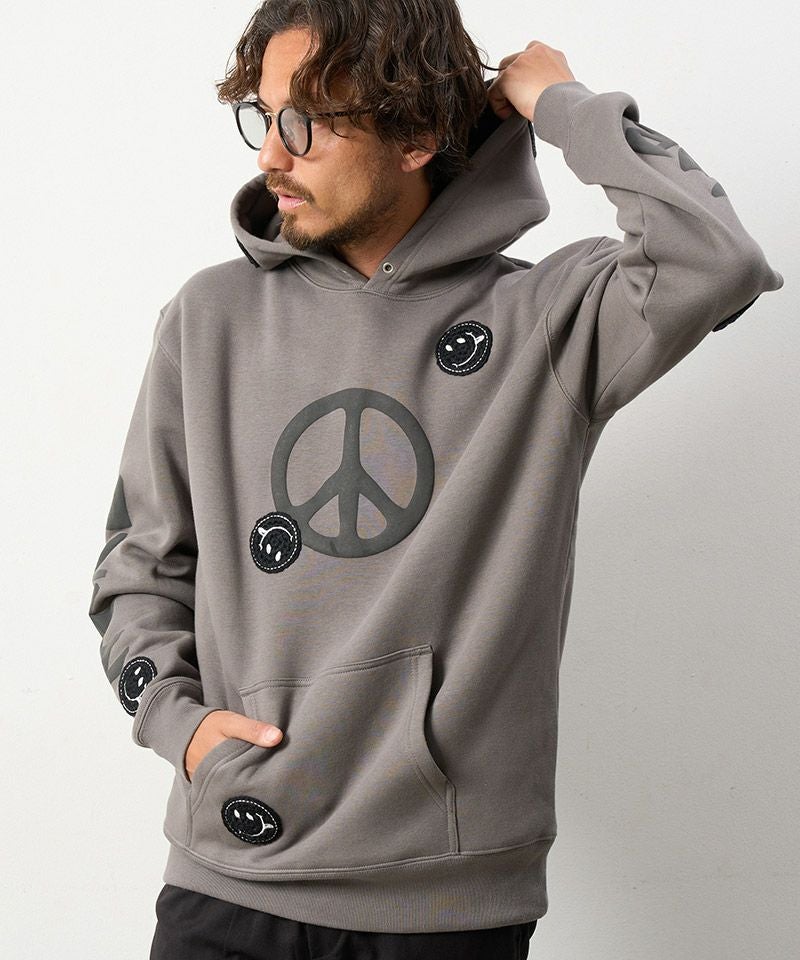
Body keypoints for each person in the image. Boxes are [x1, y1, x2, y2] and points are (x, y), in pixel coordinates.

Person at [88, 1, 783, 957]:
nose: (272, 156)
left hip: (446, 904)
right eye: (263, 117)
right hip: (230, 874)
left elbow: (716, 258)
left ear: (415, 135)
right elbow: (137, 569)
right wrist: (180, 725)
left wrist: (561, 106)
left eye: (306, 123)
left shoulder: (548, 319)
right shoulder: (208, 319)